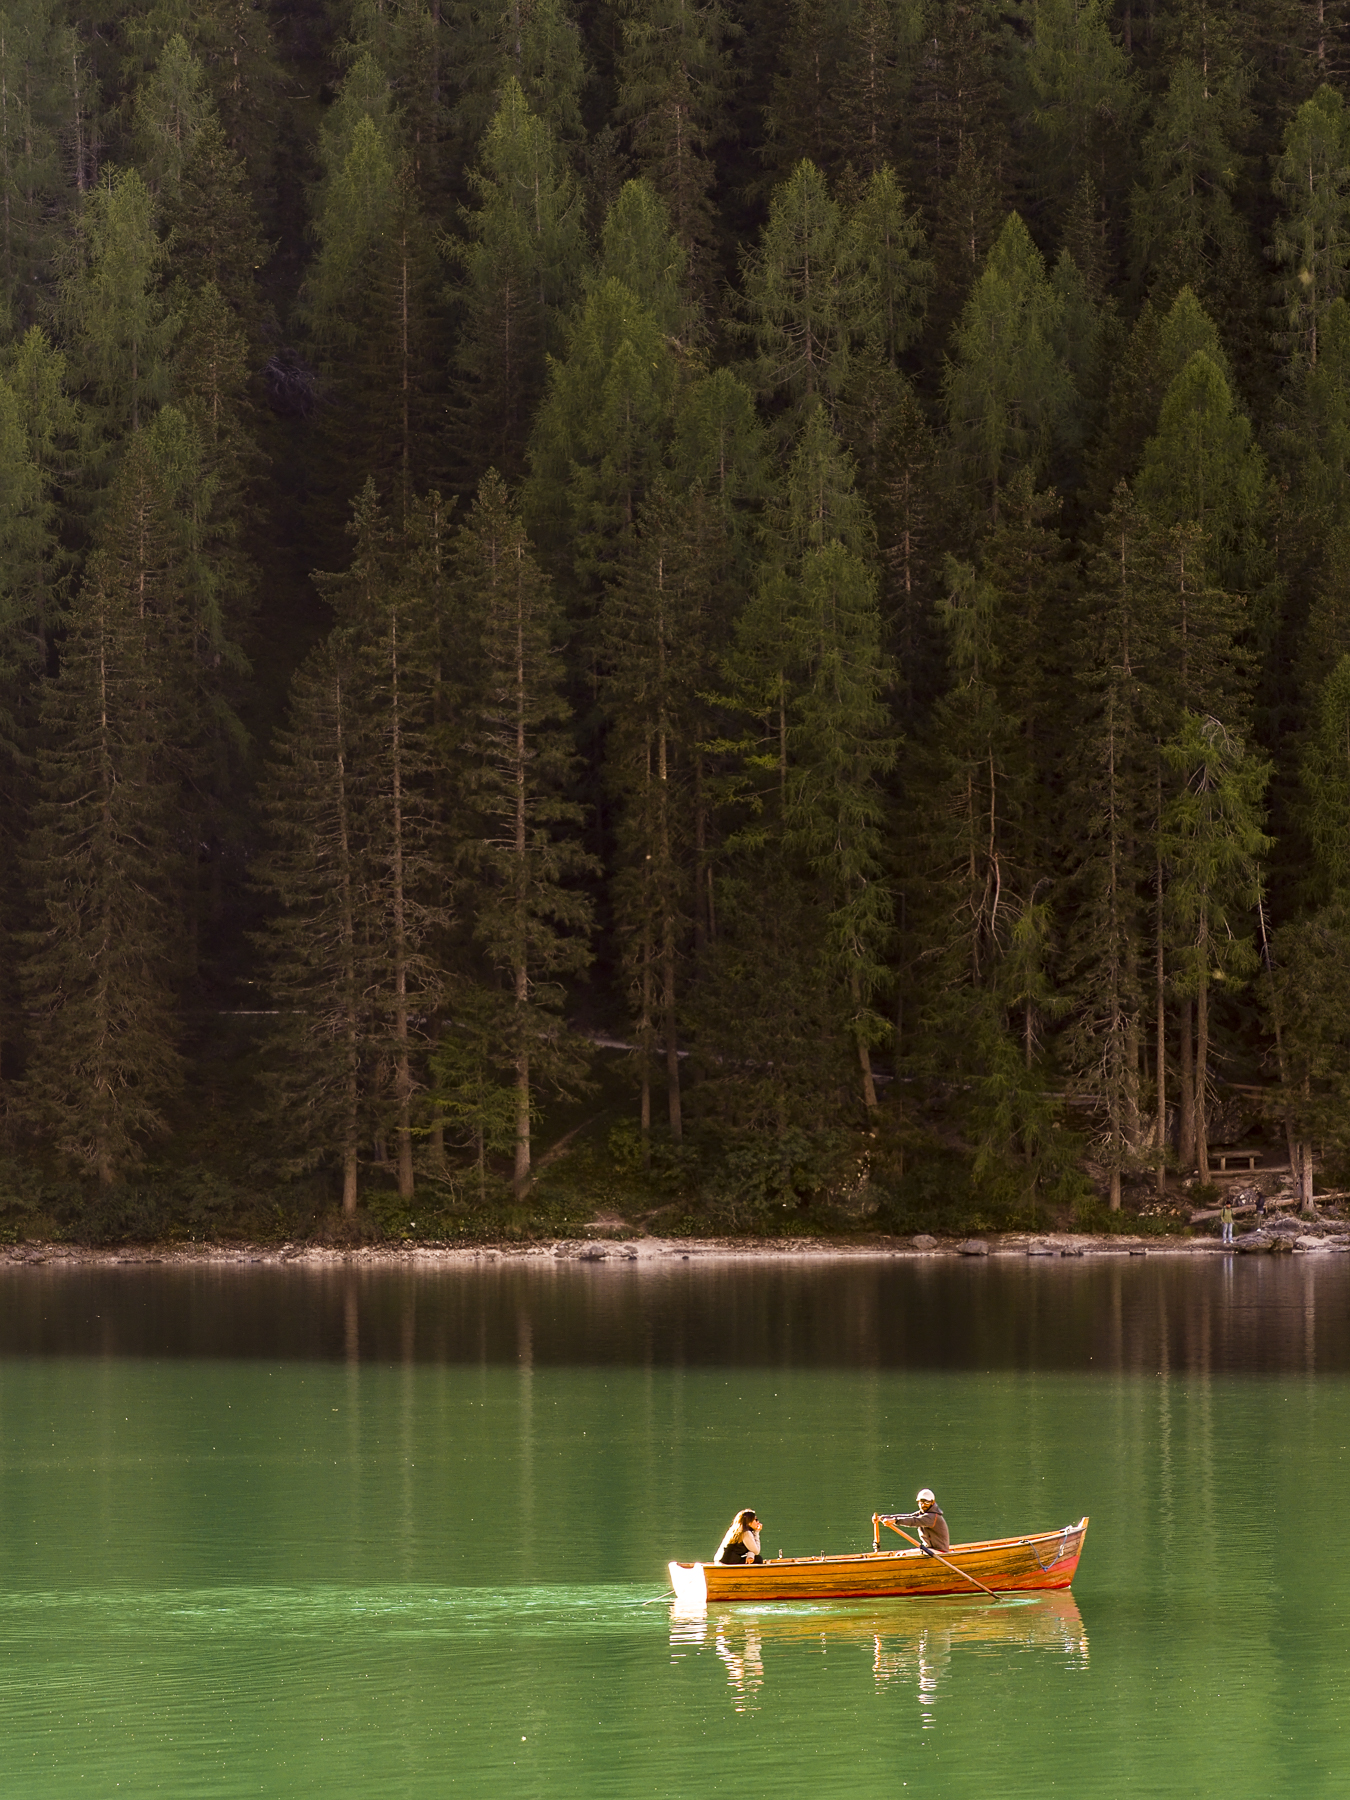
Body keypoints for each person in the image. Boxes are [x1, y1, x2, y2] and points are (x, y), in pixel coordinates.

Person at [883, 1488, 950, 1554]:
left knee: (903, 1554)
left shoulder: (933, 1517)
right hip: (928, 1550)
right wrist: (883, 1517)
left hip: (940, 1551)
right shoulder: (922, 1513)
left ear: (932, 1502)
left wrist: (895, 1521)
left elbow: (914, 1521)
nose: (923, 1505)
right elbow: (909, 1516)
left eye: (926, 1502)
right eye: (921, 1502)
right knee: (899, 1554)